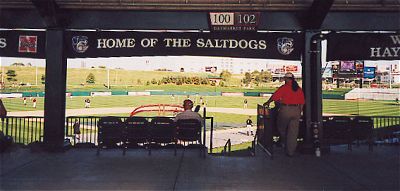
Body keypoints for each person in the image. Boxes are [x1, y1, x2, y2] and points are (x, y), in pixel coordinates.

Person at [263, 72, 305, 157]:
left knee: (281, 128)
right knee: (293, 133)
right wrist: (299, 112)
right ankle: (290, 151)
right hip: (296, 111)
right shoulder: (298, 89)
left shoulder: (284, 87)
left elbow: (274, 97)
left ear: (286, 79)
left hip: (286, 110)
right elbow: (302, 102)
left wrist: (267, 102)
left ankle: (284, 141)